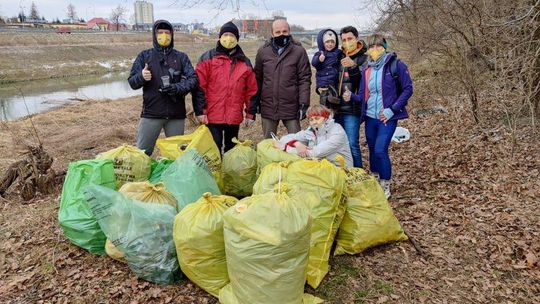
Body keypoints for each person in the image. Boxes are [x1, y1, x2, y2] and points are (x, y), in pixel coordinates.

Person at [344, 34, 413, 198]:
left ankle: (385, 184)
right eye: (372, 47)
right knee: (372, 151)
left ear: (385, 47)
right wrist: (351, 96)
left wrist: (392, 109)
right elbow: (363, 96)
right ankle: (375, 180)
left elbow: (408, 89)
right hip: (370, 117)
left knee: (381, 150)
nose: (375, 50)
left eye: (378, 46)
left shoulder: (396, 65)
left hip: (387, 118)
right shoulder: (367, 70)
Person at [128, 20, 198, 156]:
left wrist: (177, 88)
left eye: (167, 32)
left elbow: (193, 79)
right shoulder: (144, 56)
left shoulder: (181, 57)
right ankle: (142, 176)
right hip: (151, 113)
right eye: (160, 32)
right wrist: (142, 77)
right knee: (142, 153)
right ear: (154, 35)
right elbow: (132, 82)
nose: (164, 35)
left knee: (176, 155)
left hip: (176, 115)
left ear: (172, 35)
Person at [192, 21, 258, 153]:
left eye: (232, 35)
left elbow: (251, 90)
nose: (229, 38)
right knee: (213, 150)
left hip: (233, 117)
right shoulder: (207, 58)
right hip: (212, 116)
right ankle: (216, 174)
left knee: (231, 151)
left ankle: (228, 173)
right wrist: (200, 111)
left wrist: (250, 114)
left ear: (237, 39)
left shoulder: (245, 62)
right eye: (226, 34)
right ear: (220, 37)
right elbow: (199, 87)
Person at [252, 18, 312, 139]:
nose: (281, 34)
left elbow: (304, 79)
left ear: (289, 32)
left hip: (291, 107)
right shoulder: (263, 52)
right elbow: (257, 78)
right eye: (278, 32)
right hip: (268, 106)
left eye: (285, 31)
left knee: (297, 142)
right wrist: (255, 101)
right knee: (268, 144)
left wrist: (304, 104)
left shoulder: (299, 51)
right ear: (272, 34)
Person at [274, 105, 353, 167]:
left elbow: (316, 153)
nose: (314, 122)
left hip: (340, 169)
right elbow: (284, 138)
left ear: (325, 118)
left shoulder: (337, 131)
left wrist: (286, 148)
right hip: (321, 166)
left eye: (317, 118)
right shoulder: (311, 131)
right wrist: (296, 144)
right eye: (311, 120)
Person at [334, 26, 368, 168]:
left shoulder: (364, 58)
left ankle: (359, 174)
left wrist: (353, 66)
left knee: (352, 143)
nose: (347, 42)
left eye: (350, 39)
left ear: (357, 38)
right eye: (344, 40)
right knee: (338, 144)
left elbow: (364, 83)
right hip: (337, 107)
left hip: (353, 108)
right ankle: (344, 174)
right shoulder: (338, 56)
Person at [311, 28, 342, 109]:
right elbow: (313, 63)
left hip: (334, 83)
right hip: (324, 84)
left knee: (334, 104)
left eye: (332, 42)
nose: (330, 44)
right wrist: (319, 59)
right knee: (325, 105)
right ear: (322, 43)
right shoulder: (320, 53)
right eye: (327, 42)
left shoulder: (337, 52)